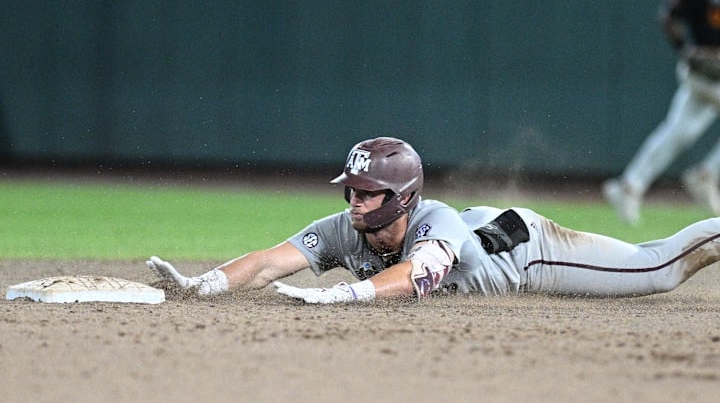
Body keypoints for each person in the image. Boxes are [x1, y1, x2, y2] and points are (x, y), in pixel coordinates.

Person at [146, 136, 720, 304]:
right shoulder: (351, 225)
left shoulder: (434, 222)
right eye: (352, 190)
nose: (355, 202)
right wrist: (206, 284)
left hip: (526, 250)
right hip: (479, 228)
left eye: (368, 193)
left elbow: (416, 276)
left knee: (659, 269)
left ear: (401, 197)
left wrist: (340, 295)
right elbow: (272, 260)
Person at [603, 0, 720, 225]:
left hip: (706, 78)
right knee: (679, 132)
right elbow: (669, 15)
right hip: (703, 75)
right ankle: (707, 174)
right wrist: (684, 48)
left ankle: (629, 185)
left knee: (678, 133)